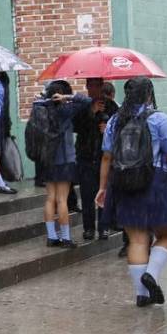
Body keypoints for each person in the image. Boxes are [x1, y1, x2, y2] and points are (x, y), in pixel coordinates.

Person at [96, 77, 167, 307]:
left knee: (137, 239)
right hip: (155, 181)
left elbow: (107, 157)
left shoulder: (115, 121)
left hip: (123, 183)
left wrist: (103, 188)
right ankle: (152, 275)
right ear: (148, 94)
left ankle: (141, 295)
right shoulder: (159, 118)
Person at [33, 80, 91, 248]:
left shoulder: (41, 108)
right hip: (65, 160)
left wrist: (44, 98)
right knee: (62, 200)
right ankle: (66, 237)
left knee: (50, 198)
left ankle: (52, 236)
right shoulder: (66, 110)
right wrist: (67, 97)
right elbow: (86, 101)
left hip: (47, 160)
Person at [74, 78, 119, 242]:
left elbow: (120, 126)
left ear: (102, 87)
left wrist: (108, 129)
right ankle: (88, 228)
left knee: (104, 194)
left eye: (97, 86)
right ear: (87, 87)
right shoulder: (82, 106)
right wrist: (91, 113)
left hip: (104, 158)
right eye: (91, 86)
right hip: (86, 157)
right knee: (87, 195)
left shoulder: (112, 106)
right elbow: (75, 126)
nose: (94, 89)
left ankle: (104, 227)